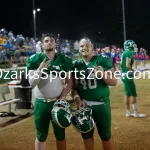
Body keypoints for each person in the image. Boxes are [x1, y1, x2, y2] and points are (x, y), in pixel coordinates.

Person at [26, 33, 73, 150]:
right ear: (42, 44)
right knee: (41, 135)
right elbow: (31, 83)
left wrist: (63, 95)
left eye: (52, 40)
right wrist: (40, 69)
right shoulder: (35, 60)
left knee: (61, 135)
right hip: (41, 103)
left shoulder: (64, 60)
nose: (49, 42)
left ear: (55, 44)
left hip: (58, 103)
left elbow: (70, 81)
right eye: (46, 41)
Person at [72, 37, 117, 150]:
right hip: (85, 106)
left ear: (92, 47)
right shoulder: (76, 64)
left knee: (106, 135)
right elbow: (74, 87)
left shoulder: (102, 60)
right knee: (86, 135)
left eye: (87, 45)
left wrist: (103, 74)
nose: (84, 48)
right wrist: (77, 99)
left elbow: (114, 82)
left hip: (101, 104)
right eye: (82, 46)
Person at [121, 40, 146, 118]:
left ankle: (128, 112)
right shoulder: (128, 52)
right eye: (134, 45)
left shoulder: (124, 53)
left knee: (127, 94)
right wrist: (134, 71)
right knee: (133, 94)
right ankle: (136, 112)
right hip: (128, 75)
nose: (135, 47)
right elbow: (128, 65)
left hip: (124, 75)